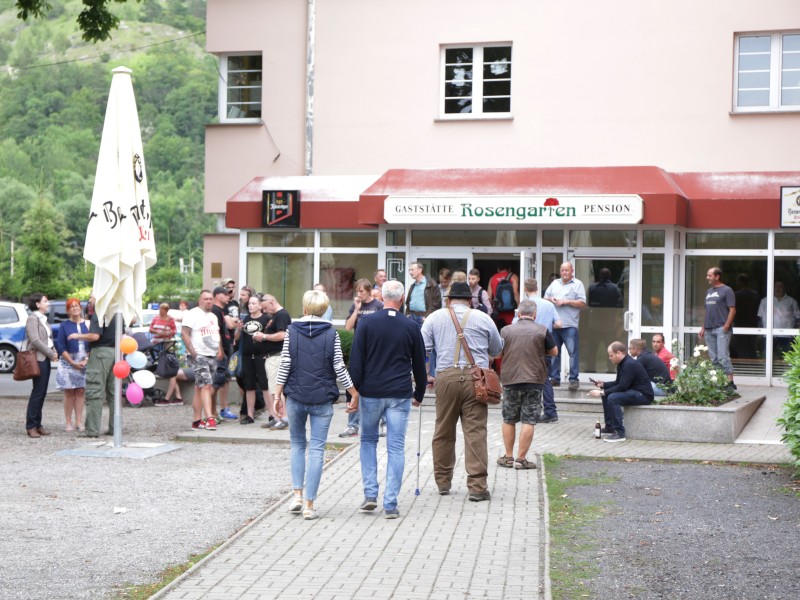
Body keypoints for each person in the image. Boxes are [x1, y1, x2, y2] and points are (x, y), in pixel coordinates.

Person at [273, 289, 359, 520]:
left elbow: (285, 364)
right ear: (324, 310)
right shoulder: (333, 334)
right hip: (322, 398)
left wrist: (277, 394)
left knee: (298, 445)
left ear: (305, 308)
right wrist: (353, 393)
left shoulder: (292, 331)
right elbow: (340, 367)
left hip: (296, 396)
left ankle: (297, 496)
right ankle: (310, 505)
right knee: (317, 450)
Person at [349, 280, 427, 519]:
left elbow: (356, 360)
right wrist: (419, 393)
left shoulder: (366, 323)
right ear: (402, 299)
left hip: (371, 392)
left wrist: (353, 394)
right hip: (399, 393)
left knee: (368, 441)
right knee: (395, 447)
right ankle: (391, 503)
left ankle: (371, 494)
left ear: (382, 298)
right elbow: (419, 364)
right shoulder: (411, 326)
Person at [421, 281, 503, 501]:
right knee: (475, 432)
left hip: (445, 377)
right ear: (470, 300)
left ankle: (443, 481)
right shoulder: (483, 318)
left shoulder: (434, 318)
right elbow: (496, 349)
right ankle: (477, 486)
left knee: (443, 431)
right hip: (475, 379)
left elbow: (423, 349)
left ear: (448, 299)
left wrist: (426, 376)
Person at [496, 299, 558, 470]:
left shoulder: (506, 331)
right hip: (534, 380)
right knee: (529, 420)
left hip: (510, 379)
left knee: (508, 419)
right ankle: (521, 459)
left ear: (518, 313)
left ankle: (508, 457)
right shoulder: (542, 330)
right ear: (535, 314)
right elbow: (554, 352)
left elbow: (498, 354)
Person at [339, 278, 384, 438]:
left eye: (362, 291)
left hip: (375, 350)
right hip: (359, 350)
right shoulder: (356, 306)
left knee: (378, 385)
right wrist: (357, 310)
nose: (359, 294)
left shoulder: (378, 306)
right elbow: (348, 327)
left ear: (369, 290)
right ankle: (352, 425)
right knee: (354, 385)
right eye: (357, 291)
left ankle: (383, 423)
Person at [514, 278, 562, 422]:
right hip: (543, 344)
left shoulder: (523, 305)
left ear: (524, 289)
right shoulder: (548, 305)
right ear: (537, 287)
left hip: (526, 346)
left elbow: (514, 324)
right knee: (545, 379)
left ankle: (530, 410)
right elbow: (559, 323)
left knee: (525, 377)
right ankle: (549, 410)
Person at [588, 341, 654, 443]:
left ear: (619, 353)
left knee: (612, 397)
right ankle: (610, 427)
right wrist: (603, 385)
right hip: (633, 391)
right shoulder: (622, 363)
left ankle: (619, 432)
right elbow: (618, 383)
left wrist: (602, 392)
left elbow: (622, 387)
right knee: (607, 394)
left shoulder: (629, 364)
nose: (610, 358)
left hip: (644, 395)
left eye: (611, 355)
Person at [182, 290, 223, 431]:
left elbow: (216, 334)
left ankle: (197, 420)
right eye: (206, 299)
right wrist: (193, 352)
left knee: (201, 387)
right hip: (199, 355)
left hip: (211, 354)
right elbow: (185, 333)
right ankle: (210, 419)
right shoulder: (192, 314)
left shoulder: (213, 316)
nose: (209, 301)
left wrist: (219, 349)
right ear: (200, 300)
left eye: (211, 299)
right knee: (206, 386)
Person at [544, 262, 587, 391]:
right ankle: (554, 378)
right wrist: (551, 300)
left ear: (572, 271)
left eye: (567, 270)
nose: (564, 273)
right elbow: (544, 299)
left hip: (569, 325)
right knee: (554, 353)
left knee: (573, 353)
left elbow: (582, 303)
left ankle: (573, 380)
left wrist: (566, 301)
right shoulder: (555, 283)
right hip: (555, 325)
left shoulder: (578, 284)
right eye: (562, 270)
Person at [80, 309, 120, 438]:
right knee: (114, 393)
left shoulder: (100, 312)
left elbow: (95, 336)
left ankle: (92, 430)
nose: (91, 298)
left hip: (100, 352)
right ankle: (115, 428)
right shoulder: (118, 312)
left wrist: (78, 335)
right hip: (116, 353)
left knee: (94, 390)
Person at [24, 293, 58, 438]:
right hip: (38, 358)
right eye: (45, 301)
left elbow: (49, 339)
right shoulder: (32, 319)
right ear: (37, 304)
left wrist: (54, 352)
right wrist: (51, 354)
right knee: (37, 392)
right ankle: (31, 425)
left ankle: (38, 424)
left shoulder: (44, 320)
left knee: (42, 392)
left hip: (46, 358)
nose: (48, 303)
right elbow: (36, 341)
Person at [698, 267, 736, 390]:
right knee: (714, 358)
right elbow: (708, 311)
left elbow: (732, 310)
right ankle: (720, 382)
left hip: (721, 328)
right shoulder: (709, 291)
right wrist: (703, 327)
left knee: (723, 357)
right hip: (709, 329)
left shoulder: (727, 290)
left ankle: (730, 382)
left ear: (717, 276)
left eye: (709, 275)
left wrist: (726, 325)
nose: (707, 277)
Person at [236, 295, 271, 424]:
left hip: (261, 356)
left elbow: (269, 336)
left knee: (265, 385)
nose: (250, 305)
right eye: (249, 303)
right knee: (249, 386)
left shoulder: (266, 319)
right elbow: (238, 337)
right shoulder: (245, 319)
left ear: (260, 305)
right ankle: (250, 415)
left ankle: (272, 414)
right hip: (247, 356)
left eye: (253, 303)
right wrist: (238, 329)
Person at [55, 298, 89, 431]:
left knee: (80, 391)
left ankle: (79, 422)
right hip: (68, 361)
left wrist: (86, 360)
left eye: (77, 306)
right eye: (72, 306)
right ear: (68, 310)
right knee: (69, 392)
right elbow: (60, 346)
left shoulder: (87, 324)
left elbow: (93, 343)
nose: (75, 308)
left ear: (80, 308)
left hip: (84, 360)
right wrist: (72, 362)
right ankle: (68, 422)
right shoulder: (64, 325)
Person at [260, 294, 292, 430]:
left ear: (272, 302)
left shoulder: (282, 315)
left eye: (266, 308)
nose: (265, 311)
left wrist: (264, 336)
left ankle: (283, 417)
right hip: (271, 357)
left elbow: (283, 335)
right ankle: (277, 416)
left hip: (277, 357)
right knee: (274, 389)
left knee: (277, 389)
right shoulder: (275, 316)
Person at [211, 286, 237, 420]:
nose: (228, 297)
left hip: (227, 348)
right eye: (225, 294)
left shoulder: (222, 310)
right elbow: (215, 332)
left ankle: (221, 409)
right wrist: (219, 350)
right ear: (218, 296)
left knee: (225, 379)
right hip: (220, 351)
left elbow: (231, 326)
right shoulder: (215, 311)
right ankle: (211, 412)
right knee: (216, 382)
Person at [149, 302, 181, 406]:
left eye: (163, 309)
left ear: (166, 310)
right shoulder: (155, 318)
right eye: (160, 309)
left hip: (166, 344)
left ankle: (176, 397)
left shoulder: (170, 320)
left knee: (167, 368)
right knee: (166, 369)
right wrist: (157, 332)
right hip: (156, 342)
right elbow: (150, 329)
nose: (161, 311)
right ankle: (178, 396)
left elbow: (174, 331)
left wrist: (167, 333)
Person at [758, 280, 800, 358]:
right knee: (767, 358)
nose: (778, 288)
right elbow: (760, 319)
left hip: (787, 336)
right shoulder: (764, 301)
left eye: (780, 286)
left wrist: (795, 335)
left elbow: (798, 319)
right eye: (775, 286)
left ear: (784, 288)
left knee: (787, 359)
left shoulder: (792, 301)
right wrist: (761, 333)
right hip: (768, 335)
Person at [732, 273, 760, 359]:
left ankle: (745, 369)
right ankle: (753, 369)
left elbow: (732, 310)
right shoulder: (756, 295)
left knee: (742, 350)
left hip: (739, 326)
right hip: (753, 325)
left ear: (740, 282)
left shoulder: (736, 295)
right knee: (752, 349)